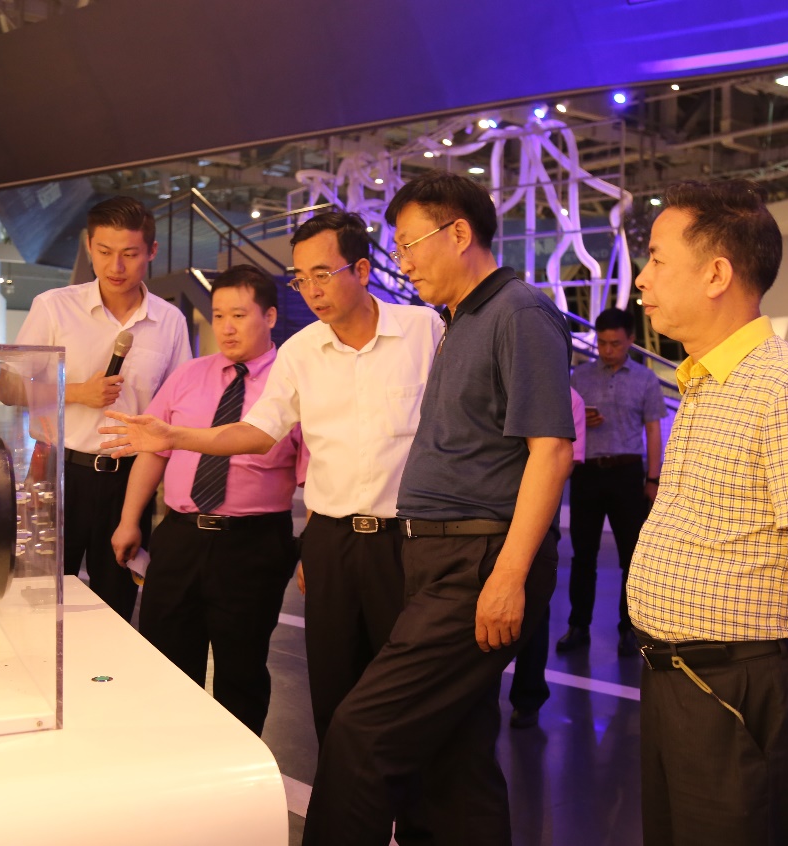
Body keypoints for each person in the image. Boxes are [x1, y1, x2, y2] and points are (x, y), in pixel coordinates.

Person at [294, 171, 574, 845]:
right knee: (454, 759)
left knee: (361, 732)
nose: (404, 262)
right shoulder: (462, 318)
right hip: (434, 555)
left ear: (459, 233)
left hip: (474, 560)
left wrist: (508, 576)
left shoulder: (518, 312)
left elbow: (551, 451)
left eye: (409, 244)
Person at [100, 211, 443, 753]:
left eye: (323, 274)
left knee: (407, 688)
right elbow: (257, 432)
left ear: (362, 270)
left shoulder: (425, 330)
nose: (313, 289)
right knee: (329, 686)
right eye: (301, 278)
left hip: (398, 539)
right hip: (301, 538)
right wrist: (174, 436)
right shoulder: (301, 351)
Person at [627, 179, 788, 846]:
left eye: (656, 259)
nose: (642, 278)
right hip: (686, 680)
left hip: (740, 689)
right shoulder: (706, 382)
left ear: (715, 274)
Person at [109, 265, 305, 736]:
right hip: (179, 538)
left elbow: (315, 474)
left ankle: (239, 767)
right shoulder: (188, 375)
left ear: (270, 316)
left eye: (239, 315)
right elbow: (154, 451)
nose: (227, 327)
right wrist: (129, 520)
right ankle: (175, 759)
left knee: (241, 670)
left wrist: (313, 550)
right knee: (166, 662)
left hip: (252, 544)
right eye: (219, 316)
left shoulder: (293, 383)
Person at [9, 196, 191, 621]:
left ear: (151, 251)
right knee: (42, 603)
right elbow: (7, 386)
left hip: (130, 481)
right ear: (89, 246)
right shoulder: (54, 306)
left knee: (116, 608)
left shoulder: (170, 321)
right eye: (104, 252)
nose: (116, 266)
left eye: (130, 254)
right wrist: (75, 392)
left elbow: (177, 409)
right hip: (60, 471)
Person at [559, 307, 666, 657]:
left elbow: (653, 431)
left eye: (615, 343)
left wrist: (653, 478)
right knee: (582, 555)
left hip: (627, 472)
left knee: (631, 557)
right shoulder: (579, 376)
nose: (607, 350)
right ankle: (578, 625)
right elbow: (562, 423)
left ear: (630, 340)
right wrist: (579, 421)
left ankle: (629, 629)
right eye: (602, 343)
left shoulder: (645, 379)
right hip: (587, 473)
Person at [508, 386, 585, 729]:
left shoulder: (568, 399)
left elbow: (562, 462)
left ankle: (528, 697)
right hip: (488, 513)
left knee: (534, 610)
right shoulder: (500, 389)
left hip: (537, 517)